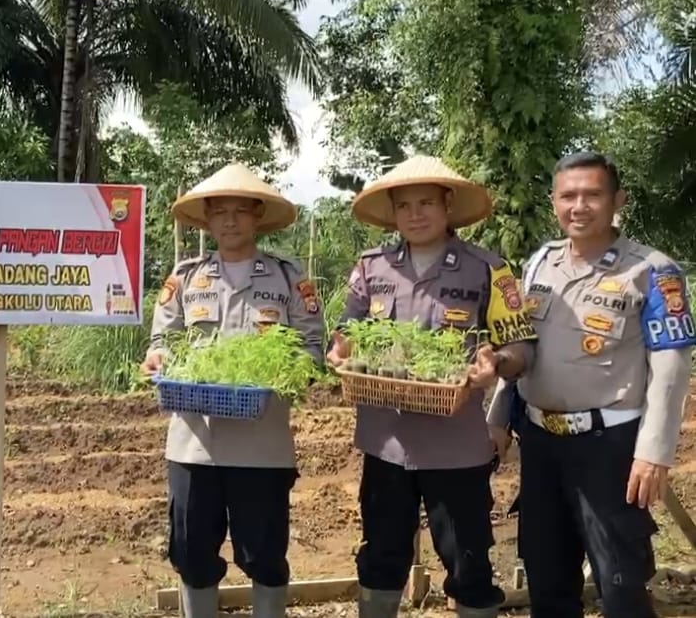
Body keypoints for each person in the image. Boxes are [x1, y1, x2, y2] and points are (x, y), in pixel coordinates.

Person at [325, 155, 536, 618]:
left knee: (469, 564)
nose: (415, 215)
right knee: (380, 559)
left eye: (426, 203)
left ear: (448, 206)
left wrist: (497, 362)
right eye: (404, 206)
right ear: (394, 213)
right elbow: (347, 333)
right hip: (387, 445)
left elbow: (522, 347)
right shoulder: (370, 268)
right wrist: (339, 351)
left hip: (457, 448)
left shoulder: (488, 269)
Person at [486, 152, 693, 618]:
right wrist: (498, 415)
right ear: (554, 201)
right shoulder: (540, 263)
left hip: (611, 448)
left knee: (619, 583)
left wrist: (654, 451)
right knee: (547, 575)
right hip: (540, 442)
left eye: (592, 194)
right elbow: (522, 343)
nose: (579, 206)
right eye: (568, 196)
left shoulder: (654, 271)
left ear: (618, 199)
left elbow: (672, 367)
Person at [139, 163, 326, 618]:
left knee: (264, 557)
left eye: (240, 211)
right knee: (192, 554)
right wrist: (158, 359)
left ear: (257, 216)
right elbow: (162, 341)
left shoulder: (287, 277)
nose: (229, 221)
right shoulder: (185, 278)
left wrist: (293, 369)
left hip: (263, 447)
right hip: (193, 445)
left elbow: (313, 346)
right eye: (219, 212)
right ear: (207, 220)